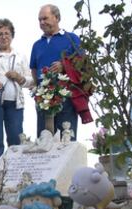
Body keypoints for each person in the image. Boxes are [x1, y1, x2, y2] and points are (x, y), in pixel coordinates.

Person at [0, 19, 33, 164]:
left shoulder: (20, 56)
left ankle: (13, 176)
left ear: (12, 36)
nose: (3, 37)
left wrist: (19, 77)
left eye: (7, 33)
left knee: (15, 140)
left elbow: (30, 81)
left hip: (15, 104)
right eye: (0, 34)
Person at [30, 4, 81, 138]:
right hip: (43, 100)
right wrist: (38, 89)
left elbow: (82, 63)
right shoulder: (37, 45)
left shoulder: (71, 38)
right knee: (44, 140)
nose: (42, 22)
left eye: (45, 18)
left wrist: (64, 65)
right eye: (39, 19)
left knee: (66, 139)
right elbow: (34, 68)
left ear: (56, 17)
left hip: (67, 98)